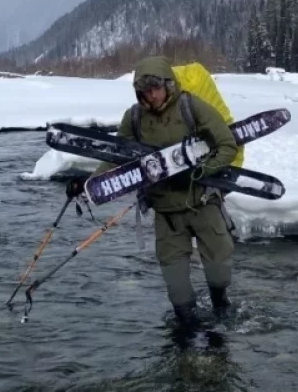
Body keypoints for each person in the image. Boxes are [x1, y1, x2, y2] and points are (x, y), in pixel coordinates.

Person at [66, 56, 238, 327]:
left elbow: (228, 145)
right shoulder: (134, 118)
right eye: (145, 90)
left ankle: (221, 318)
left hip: (203, 203)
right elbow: (117, 158)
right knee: (178, 292)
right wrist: (89, 182)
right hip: (167, 213)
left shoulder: (192, 107)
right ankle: (187, 344)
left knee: (219, 275)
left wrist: (200, 172)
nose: (151, 95)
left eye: (155, 88)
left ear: (168, 84)